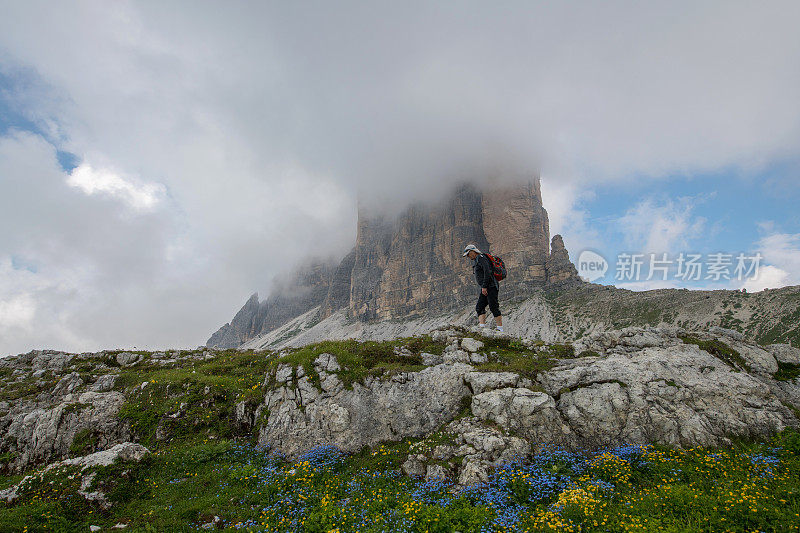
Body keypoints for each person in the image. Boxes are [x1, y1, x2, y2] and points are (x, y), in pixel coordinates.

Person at [462, 244, 503, 332]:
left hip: (491, 286)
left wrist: (484, 286)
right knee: (479, 307)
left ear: (473, 252)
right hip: (486, 288)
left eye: (468, 254)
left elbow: (487, 271)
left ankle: (500, 329)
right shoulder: (477, 260)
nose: (468, 257)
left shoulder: (481, 258)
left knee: (493, 306)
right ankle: (482, 329)